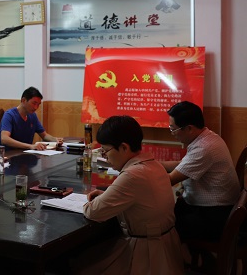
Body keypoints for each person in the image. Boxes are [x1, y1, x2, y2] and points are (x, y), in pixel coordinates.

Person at [77, 116, 184, 274]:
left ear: (124, 148)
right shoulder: (153, 163)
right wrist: (109, 195)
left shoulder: (133, 175)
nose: (104, 156)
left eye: (105, 151)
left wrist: (96, 201)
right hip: (166, 246)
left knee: (81, 265)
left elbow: (93, 212)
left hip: (146, 253)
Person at [161, 101, 240, 241]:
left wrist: (139, 176)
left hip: (214, 214)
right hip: (212, 207)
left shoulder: (204, 148)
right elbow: (182, 165)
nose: (172, 133)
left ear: (189, 128)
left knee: (164, 225)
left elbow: (170, 180)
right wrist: (155, 164)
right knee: (168, 212)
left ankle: (176, 255)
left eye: (173, 129)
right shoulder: (207, 137)